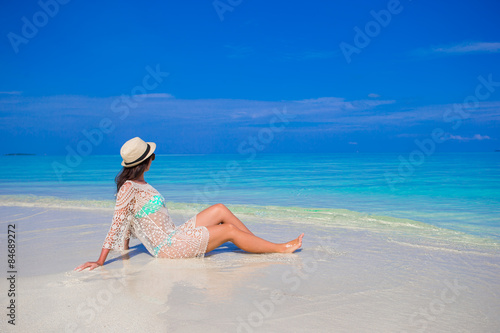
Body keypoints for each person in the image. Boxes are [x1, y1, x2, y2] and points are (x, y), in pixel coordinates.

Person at [75, 137, 304, 271]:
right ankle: (279, 248)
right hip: (167, 248)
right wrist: (101, 260)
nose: (154, 160)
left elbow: (129, 221)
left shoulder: (141, 184)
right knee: (228, 231)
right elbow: (118, 223)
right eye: (152, 157)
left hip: (174, 235)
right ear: (146, 161)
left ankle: (256, 244)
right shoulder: (129, 188)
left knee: (220, 209)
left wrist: (126, 247)